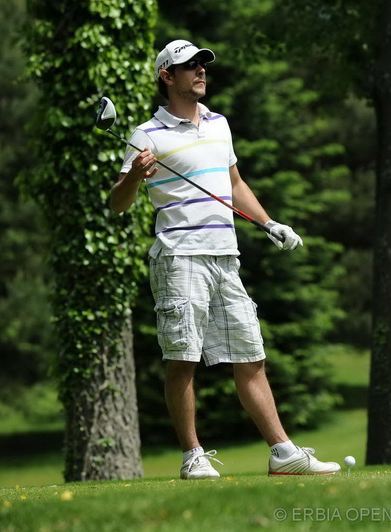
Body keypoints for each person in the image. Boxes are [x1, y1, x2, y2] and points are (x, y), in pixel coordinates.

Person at [110, 39, 340, 479]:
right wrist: (134, 177)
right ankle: (192, 456)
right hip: (180, 257)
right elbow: (117, 204)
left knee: (250, 354)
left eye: (203, 64)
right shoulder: (146, 135)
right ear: (167, 76)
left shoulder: (219, 124)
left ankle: (283, 452)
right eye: (190, 65)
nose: (201, 70)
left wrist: (269, 222)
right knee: (183, 357)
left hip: (225, 257)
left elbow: (233, 183)